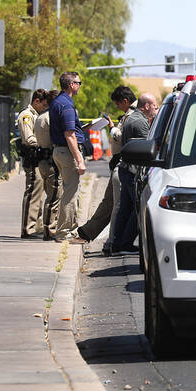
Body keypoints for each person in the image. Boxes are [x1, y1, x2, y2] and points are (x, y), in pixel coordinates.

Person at [76, 85, 136, 248]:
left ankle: (113, 242)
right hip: (119, 163)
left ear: (125, 101)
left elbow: (122, 137)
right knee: (110, 202)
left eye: (118, 103)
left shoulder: (133, 115)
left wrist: (112, 127)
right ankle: (88, 232)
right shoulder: (129, 114)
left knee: (117, 205)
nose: (117, 107)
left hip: (126, 165)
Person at [107, 92, 158, 254]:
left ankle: (117, 243)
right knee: (138, 209)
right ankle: (126, 243)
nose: (156, 109)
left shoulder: (131, 118)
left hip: (125, 169)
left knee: (125, 209)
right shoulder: (141, 122)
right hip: (132, 171)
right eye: (155, 107)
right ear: (147, 106)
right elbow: (149, 147)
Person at [48, 71, 88, 242]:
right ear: (72, 85)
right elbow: (69, 135)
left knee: (71, 190)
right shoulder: (66, 105)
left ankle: (71, 229)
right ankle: (64, 232)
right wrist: (79, 160)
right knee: (70, 193)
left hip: (59, 150)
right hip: (67, 151)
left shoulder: (58, 102)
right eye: (78, 82)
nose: (79, 85)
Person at [16, 89, 50, 239]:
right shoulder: (27, 116)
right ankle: (28, 229)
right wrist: (45, 143)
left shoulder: (36, 115)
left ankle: (36, 226)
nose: (45, 108)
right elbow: (29, 138)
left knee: (39, 194)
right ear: (36, 101)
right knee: (32, 193)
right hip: (32, 157)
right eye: (44, 105)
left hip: (39, 158)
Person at [33, 90, 61, 241]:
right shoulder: (51, 118)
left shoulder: (40, 117)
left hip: (43, 160)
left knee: (51, 196)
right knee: (54, 197)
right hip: (51, 160)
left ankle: (48, 228)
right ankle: (50, 230)